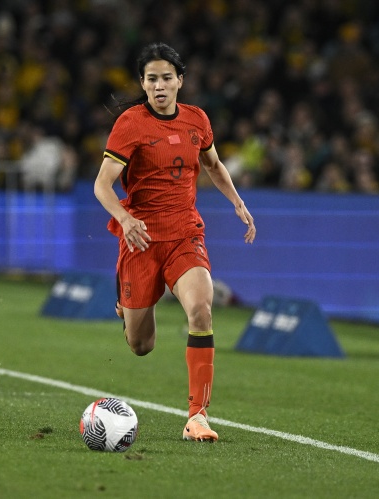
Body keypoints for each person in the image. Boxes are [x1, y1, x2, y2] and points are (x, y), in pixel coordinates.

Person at [94, 43, 256, 442]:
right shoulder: (131, 124)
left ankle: (197, 416)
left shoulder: (196, 120)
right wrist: (125, 218)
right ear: (143, 84)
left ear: (180, 81)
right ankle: (129, 307)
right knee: (141, 345)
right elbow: (102, 184)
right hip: (141, 239)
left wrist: (237, 201)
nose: (160, 86)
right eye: (152, 79)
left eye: (167, 78)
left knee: (201, 309)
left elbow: (213, 164)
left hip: (185, 233)